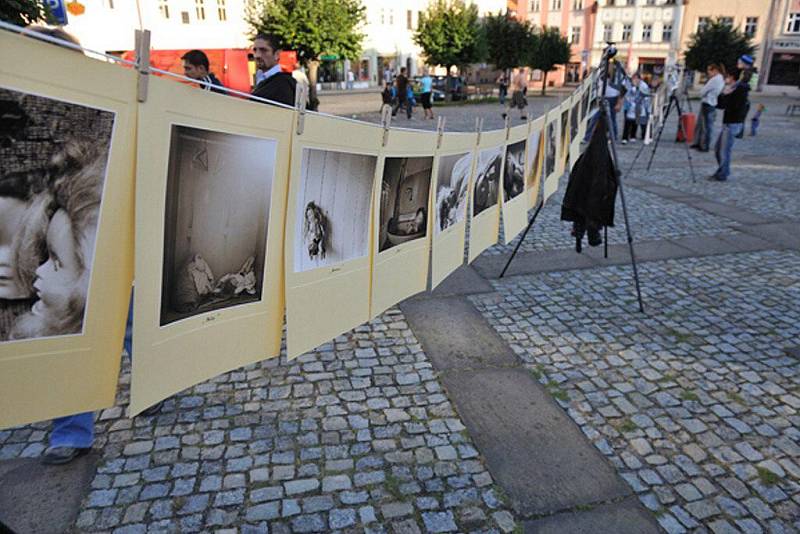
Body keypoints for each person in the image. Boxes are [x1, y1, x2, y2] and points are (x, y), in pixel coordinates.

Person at [710, 69, 748, 182]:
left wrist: (726, 95)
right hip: (728, 123)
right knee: (718, 149)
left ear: (732, 78)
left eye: (727, 77)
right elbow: (720, 105)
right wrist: (723, 94)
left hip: (733, 123)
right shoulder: (733, 89)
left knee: (724, 150)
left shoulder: (740, 90)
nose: (725, 79)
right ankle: (722, 170)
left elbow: (733, 107)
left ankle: (723, 173)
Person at [251, 33, 296, 106]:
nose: (257, 55)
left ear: (277, 54)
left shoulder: (284, 83)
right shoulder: (260, 79)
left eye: (263, 50)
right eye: (255, 50)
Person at [691, 63, 724, 152]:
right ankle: (699, 142)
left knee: (706, 126)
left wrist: (701, 93)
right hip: (710, 103)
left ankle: (704, 145)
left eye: (709, 70)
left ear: (715, 70)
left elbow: (703, 91)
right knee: (702, 125)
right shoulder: (720, 79)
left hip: (708, 103)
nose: (708, 72)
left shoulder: (715, 80)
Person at [735, 55, 755, 139]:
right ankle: (738, 133)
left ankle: (738, 133)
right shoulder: (745, 72)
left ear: (745, 63)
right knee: (740, 117)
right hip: (743, 99)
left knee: (740, 117)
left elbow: (744, 85)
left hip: (742, 99)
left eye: (739, 62)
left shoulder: (747, 73)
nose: (738, 63)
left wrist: (734, 85)